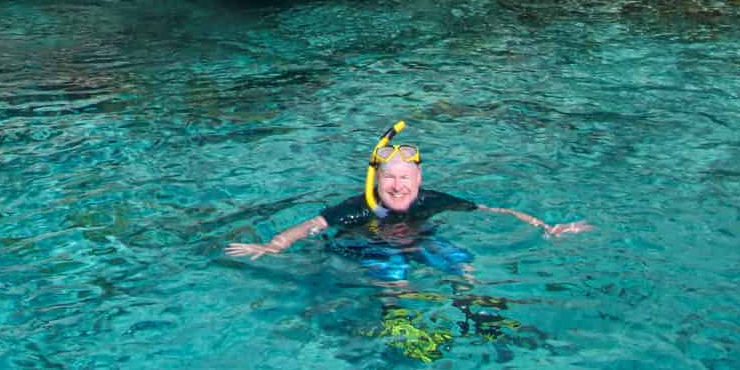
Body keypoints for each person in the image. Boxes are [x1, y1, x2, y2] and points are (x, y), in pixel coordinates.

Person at [225, 124, 590, 275]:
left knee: (464, 266)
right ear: (377, 180)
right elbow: (313, 225)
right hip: (368, 246)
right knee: (395, 279)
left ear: (418, 181)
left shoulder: (429, 200)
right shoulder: (361, 206)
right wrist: (275, 245)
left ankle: (476, 309)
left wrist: (546, 227)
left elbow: (493, 209)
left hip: (417, 238)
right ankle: (398, 319)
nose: (398, 186)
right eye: (390, 179)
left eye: (405, 178)